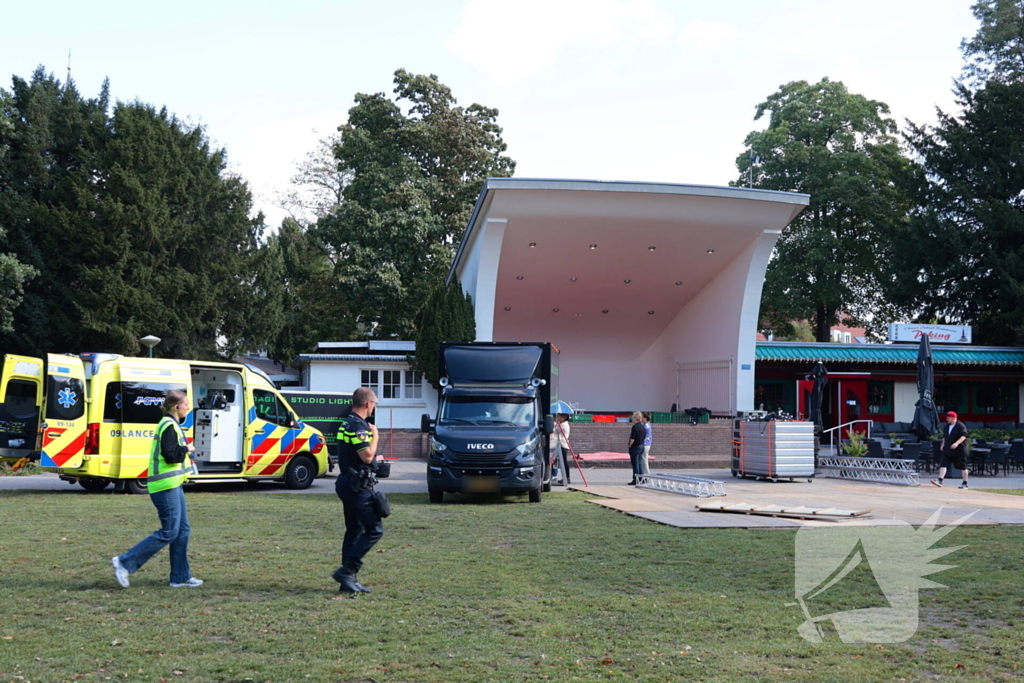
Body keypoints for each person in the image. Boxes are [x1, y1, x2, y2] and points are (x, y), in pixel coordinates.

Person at [112, 390, 201, 588]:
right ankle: (124, 562)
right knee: (169, 531)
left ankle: (180, 576)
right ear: (177, 407)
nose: (188, 406)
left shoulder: (172, 424)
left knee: (183, 530)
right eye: (186, 403)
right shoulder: (169, 425)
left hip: (173, 484)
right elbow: (170, 455)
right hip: (165, 486)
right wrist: (187, 449)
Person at [332, 387, 382, 594]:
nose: (374, 408)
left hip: (348, 482)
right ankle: (347, 570)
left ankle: (348, 582)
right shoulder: (358, 427)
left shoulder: (346, 423)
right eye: (374, 404)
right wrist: (375, 436)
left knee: (354, 531)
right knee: (374, 529)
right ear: (368, 404)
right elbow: (367, 456)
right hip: (356, 487)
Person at [932, 411, 969, 489]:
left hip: (959, 450)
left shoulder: (961, 426)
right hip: (948, 449)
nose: (946, 419)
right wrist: (943, 444)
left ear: (953, 418)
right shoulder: (947, 426)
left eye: (948, 417)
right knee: (943, 464)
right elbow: (945, 437)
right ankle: (940, 480)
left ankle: (965, 483)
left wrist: (956, 443)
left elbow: (964, 436)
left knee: (963, 467)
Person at [552, 413, 572, 486]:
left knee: (563, 462)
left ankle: (567, 477)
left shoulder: (564, 425)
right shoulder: (561, 424)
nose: (559, 417)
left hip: (562, 445)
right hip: (560, 444)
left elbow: (555, 430)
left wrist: (556, 425)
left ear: (565, 417)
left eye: (561, 416)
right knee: (560, 462)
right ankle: (565, 477)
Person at [627, 411, 646, 485]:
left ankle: (636, 479)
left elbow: (632, 438)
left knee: (635, 463)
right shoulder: (642, 426)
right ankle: (641, 478)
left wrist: (629, 445)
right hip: (641, 446)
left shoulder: (635, 427)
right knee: (640, 463)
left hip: (635, 447)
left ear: (635, 418)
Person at [641, 411, 653, 476]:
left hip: (646, 444)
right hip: (647, 444)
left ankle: (646, 475)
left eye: (642, 418)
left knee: (644, 460)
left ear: (645, 418)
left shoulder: (646, 426)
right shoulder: (647, 424)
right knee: (644, 460)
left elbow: (646, 436)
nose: (641, 419)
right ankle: (645, 474)